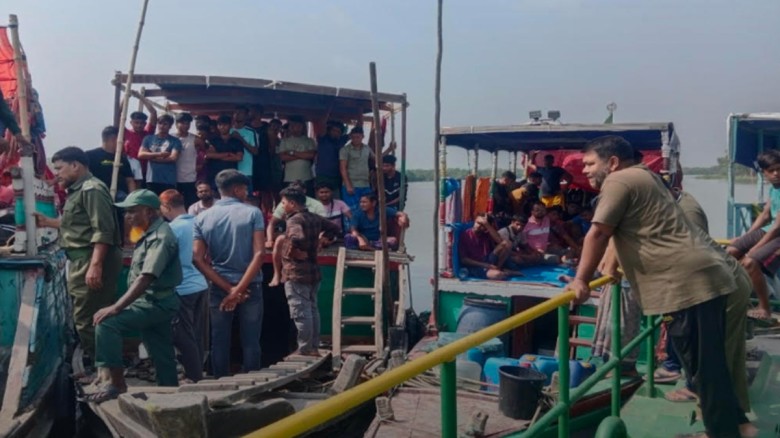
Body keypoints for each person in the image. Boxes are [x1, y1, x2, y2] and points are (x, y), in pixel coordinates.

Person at [568, 135, 747, 437]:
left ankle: (722, 433)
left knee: (703, 366)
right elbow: (625, 232)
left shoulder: (619, 180)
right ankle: (737, 428)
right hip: (701, 276)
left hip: (686, 282)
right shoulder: (645, 177)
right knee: (707, 363)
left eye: (589, 164)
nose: (585, 170)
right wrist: (608, 268)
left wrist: (580, 280)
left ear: (612, 162)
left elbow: (598, 233)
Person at [34, 147, 123, 378]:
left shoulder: (92, 189)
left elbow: (103, 231)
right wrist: (47, 222)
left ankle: (104, 370)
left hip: (90, 258)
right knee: (91, 315)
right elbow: (76, 224)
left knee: (87, 318)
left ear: (76, 165)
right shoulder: (78, 190)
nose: (57, 174)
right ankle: (105, 367)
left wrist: (95, 265)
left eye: (59, 168)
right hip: (83, 258)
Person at [86, 189, 182, 402]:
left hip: (155, 302)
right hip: (156, 300)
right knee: (162, 352)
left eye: (132, 211)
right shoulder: (149, 233)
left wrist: (116, 307)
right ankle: (171, 394)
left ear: (149, 212)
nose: (127, 217)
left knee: (107, 324)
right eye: (126, 212)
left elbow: (146, 277)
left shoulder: (160, 237)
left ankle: (117, 384)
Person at [193, 170, 265, 378]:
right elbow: (260, 254)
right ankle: (253, 383)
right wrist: (238, 290)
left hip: (219, 286)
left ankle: (219, 381)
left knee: (219, 339)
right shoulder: (253, 213)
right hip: (250, 285)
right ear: (236, 189)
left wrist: (228, 289)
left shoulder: (202, 217)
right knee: (251, 340)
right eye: (245, 189)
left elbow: (197, 258)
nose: (246, 193)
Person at [270, 187, 342, 356]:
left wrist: (292, 251)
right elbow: (334, 228)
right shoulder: (314, 217)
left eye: (284, 202)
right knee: (312, 309)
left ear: (292, 203)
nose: (283, 206)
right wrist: (322, 240)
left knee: (301, 312)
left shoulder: (294, 220)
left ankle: (305, 348)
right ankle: (313, 346)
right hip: (313, 270)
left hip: (297, 272)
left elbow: (297, 237)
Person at [159, 190, 208, 383]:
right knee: (196, 334)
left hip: (182, 287)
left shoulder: (171, 229)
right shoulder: (198, 223)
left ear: (166, 207)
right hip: (201, 284)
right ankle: (196, 371)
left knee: (182, 335)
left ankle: (193, 376)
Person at [726, 150, 780, 321]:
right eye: (771, 170)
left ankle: (765, 307)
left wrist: (754, 249)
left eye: (779, 169)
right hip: (770, 230)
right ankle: (734, 298)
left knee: (750, 262)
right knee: (729, 253)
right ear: (764, 172)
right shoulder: (774, 189)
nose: (776, 174)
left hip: (777, 233)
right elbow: (765, 215)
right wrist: (744, 237)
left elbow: (777, 227)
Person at [458, 214, 522, 280]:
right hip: (476, 265)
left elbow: (499, 241)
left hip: (488, 259)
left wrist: (486, 224)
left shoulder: (486, 234)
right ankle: (504, 272)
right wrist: (486, 265)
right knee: (498, 275)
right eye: (478, 223)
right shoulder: (465, 235)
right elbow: (464, 260)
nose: (479, 226)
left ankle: (498, 268)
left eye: (482, 225)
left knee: (508, 243)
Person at [265, 182, 327, 247]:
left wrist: (321, 239)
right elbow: (272, 223)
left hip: (307, 242)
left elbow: (297, 238)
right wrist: (269, 240)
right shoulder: (284, 204)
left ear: (304, 191)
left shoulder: (316, 205)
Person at [345, 192, 410, 251]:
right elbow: (353, 230)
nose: (361, 204)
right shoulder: (357, 214)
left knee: (393, 241)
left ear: (373, 203)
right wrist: (360, 240)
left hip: (376, 241)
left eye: (364, 202)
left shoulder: (382, 210)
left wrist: (403, 218)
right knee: (349, 237)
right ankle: (369, 248)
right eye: (360, 202)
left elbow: (401, 214)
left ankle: (371, 248)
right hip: (363, 240)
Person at [86, 126, 137, 201]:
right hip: (98, 194)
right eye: (123, 140)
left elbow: (129, 180)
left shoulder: (122, 159)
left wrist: (132, 198)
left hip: (120, 195)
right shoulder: (90, 156)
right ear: (114, 139)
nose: (124, 143)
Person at [138, 114, 182, 195]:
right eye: (160, 123)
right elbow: (141, 154)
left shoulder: (175, 141)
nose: (162, 126)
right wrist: (160, 154)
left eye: (165, 124)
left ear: (170, 126)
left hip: (168, 180)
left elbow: (173, 158)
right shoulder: (148, 138)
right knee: (152, 202)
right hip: (151, 179)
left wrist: (152, 158)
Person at [123, 93, 158, 182]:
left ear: (145, 124)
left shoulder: (148, 133)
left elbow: (153, 113)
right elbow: (118, 115)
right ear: (131, 123)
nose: (139, 125)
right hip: (130, 171)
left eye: (141, 123)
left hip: (146, 171)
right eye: (136, 123)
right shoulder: (126, 133)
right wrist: (125, 98)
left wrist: (141, 97)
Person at [278, 115, 316, 195]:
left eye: (297, 125)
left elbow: (311, 155)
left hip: (306, 177)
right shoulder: (284, 141)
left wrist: (292, 152)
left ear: (302, 127)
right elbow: (283, 157)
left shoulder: (309, 141)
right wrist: (303, 155)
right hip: (289, 177)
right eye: (292, 125)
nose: (294, 127)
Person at [204, 115, 243, 189]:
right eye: (220, 125)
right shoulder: (212, 140)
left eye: (225, 125)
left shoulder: (236, 141)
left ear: (230, 126)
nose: (222, 127)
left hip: (231, 175)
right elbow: (208, 155)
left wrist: (217, 156)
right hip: (215, 175)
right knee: (215, 195)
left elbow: (239, 158)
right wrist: (228, 154)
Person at [340, 126, 373, 211]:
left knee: (366, 210)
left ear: (362, 137)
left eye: (358, 137)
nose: (355, 139)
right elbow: (343, 168)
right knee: (352, 210)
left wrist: (389, 149)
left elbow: (377, 160)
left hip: (365, 184)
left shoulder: (367, 148)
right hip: (352, 185)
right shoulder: (345, 150)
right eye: (353, 137)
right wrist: (348, 185)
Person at [173, 113, 200, 208]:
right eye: (183, 123)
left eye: (187, 123)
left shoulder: (195, 139)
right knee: (175, 205)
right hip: (173, 178)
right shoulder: (170, 137)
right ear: (176, 124)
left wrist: (201, 164)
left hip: (190, 178)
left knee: (191, 205)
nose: (186, 126)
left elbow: (207, 150)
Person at [315, 121, 348, 195]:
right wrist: (328, 114)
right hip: (323, 175)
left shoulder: (341, 140)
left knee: (336, 198)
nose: (335, 133)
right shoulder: (322, 139)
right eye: (334, 130)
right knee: (322, 197)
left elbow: (357, 131)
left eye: (338, 131)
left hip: (337, 176)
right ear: (329, 131)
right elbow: (322, 124)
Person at [231, 106, 258, 189]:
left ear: (246, 116)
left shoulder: (251, 132)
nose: (237, 114)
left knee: (246, 195)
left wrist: (241, 139)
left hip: (245, 171)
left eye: (240, 113)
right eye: (235, 112)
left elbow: (255, 151)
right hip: (229, 170)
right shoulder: (228, 130)